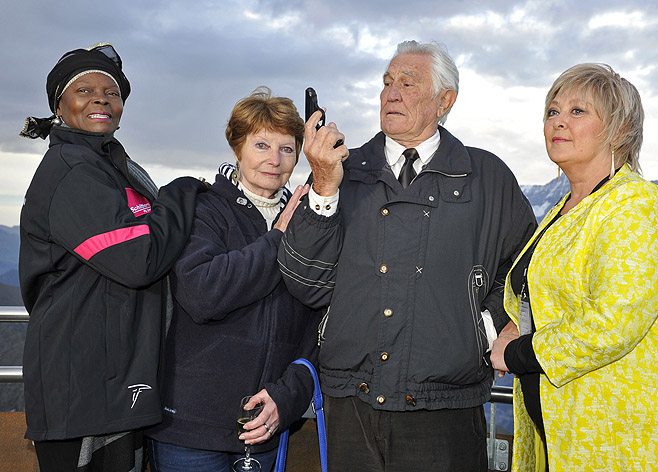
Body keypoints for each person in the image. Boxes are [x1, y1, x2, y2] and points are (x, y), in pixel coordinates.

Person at [278, 40, 537, 471]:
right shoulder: (342, 170)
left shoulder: (487, 176)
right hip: (350, 403)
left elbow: (528, 263)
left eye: (407, 83)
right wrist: (323, 187)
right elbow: (303, 282)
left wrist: (491, 325)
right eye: (386, 82)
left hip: (446, 407)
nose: (391, 93)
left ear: (445, 101)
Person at [489, 63, 658, 471]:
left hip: (637, 434)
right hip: (570, 429)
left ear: (619, 131)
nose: (558, 122)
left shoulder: (638, 205)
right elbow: (539, 294)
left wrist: (518, 354)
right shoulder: (559, 211)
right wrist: (514, 323)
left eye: (577, 111)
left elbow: (614, 322)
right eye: (552, 111)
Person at [18, 43, 207, 472]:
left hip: (115, 376)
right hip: (83, 388)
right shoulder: (71, 171)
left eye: (112, 91)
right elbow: (138, 260)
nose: (101, 98)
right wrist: (181, 191)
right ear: (59, 106)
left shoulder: (107, 166)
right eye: (84, 89)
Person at [145, 87, 321, 472]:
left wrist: (286, 398)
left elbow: (318, 324)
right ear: (237, 148)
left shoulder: (309, 224)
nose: (274, 160)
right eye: (261, 145)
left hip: (265, 427)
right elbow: (203, 293)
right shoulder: (203, 209)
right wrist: (277, 238)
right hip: (190, 430)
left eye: (287, 148)